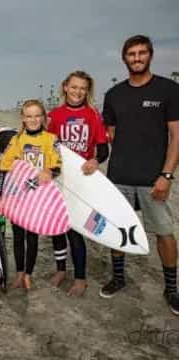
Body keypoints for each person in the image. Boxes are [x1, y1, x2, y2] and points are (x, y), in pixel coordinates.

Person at [100, 35, 179, 315]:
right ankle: (119, 278)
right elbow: (110, 135)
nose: (137, 58)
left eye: (141, 53)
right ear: (125, 58)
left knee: (164, 232)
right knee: (117, 229)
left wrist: (166, 176)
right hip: (119, 176)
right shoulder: (114, 95)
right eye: (131, 54)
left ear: (150, 55)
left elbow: (176, 136)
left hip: (153, 179)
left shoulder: (168, 90)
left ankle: (171, 288)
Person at [47, 71, 109, 296]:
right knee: (57, 228)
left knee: (76, 230)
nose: (78, 92)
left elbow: (103, 149)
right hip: (57, 179)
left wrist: (95, 160)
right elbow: (45, 147)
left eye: (83, 88)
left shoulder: (93, 115)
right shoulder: (53, 115)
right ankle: (61, 269)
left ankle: (81, 277)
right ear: (65, 87)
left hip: (81, 180)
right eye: (74, 87)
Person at [0, 99, 62, 290]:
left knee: (32, 237)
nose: (33, 119)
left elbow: (57, 165)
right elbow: (3, 168)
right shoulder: (16, 140)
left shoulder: (51, 139)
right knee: (17, 236)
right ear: (23, 118)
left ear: (43, 117)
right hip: (17, 195)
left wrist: (49, 172)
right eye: (29, 116)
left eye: (37, 116)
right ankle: (19, 273)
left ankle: (28, 274)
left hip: (37, 198)